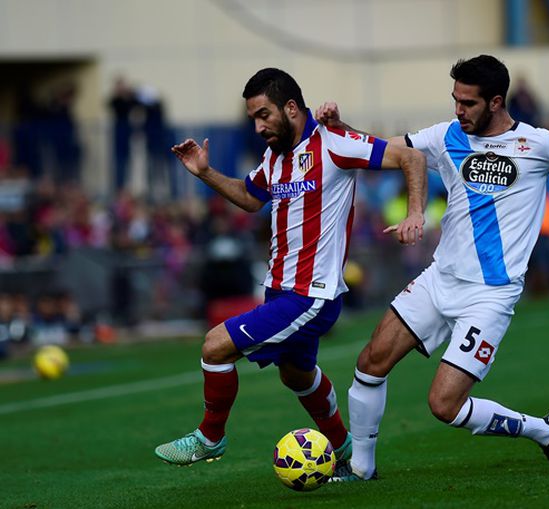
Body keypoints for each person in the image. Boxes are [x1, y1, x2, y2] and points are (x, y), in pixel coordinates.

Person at [316, 54, 549, 481]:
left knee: (444, 406)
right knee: (370, 362)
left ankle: (543, 432)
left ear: (496, 101)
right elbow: (387, 149)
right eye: (455, 100)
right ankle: (362, 468)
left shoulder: (539, 144)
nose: (458, 110)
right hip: (440, 278)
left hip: (490, 296)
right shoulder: (446, 136)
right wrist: (340, 128)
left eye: (468, 103)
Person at [154, 68, 427, 466]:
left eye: (264, 114)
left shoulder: (333, 143)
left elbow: (411, 156)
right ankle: (346, 451)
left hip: (310, 295)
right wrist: (206, 173)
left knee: (215, 347)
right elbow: (250, 197)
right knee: (296, 375)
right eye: (253, 118)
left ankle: (210, 437)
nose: (259, 126)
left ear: (292, 108)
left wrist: (415, 212)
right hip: (280, 289)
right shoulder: (274, 157)